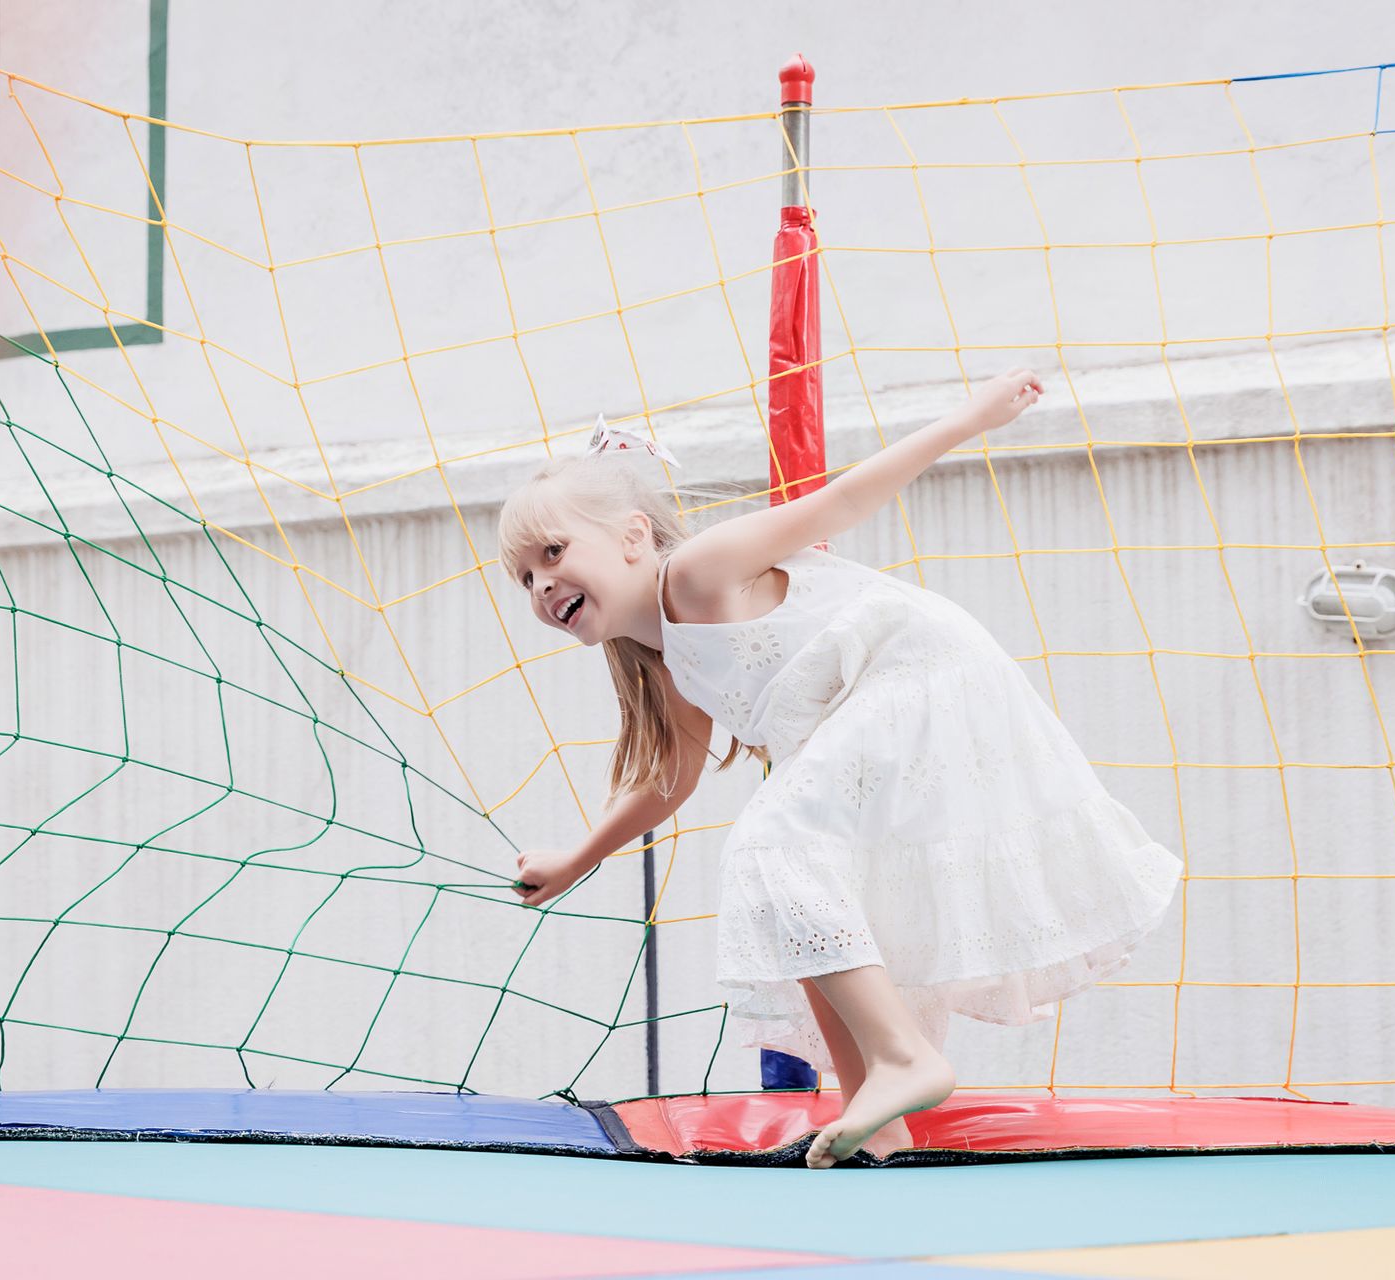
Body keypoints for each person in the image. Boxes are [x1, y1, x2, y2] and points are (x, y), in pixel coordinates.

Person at [498, 370, 1183, 1169]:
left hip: (918, 668)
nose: (544, 584)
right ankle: (875, 1119)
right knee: (807, 910)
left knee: (771, 844)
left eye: (553, 554)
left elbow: (844, 502)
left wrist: (971, 417)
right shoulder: (667, 662)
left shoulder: (700, 572)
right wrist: (579, 858)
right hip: (886, 705)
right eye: (526, 579)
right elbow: (669, 782)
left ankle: (904, 1059)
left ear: (632, 536)